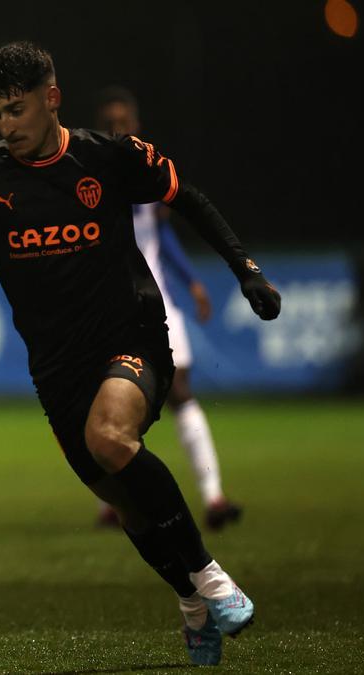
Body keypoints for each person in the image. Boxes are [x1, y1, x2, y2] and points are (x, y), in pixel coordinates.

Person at [0, 42, 280, 666]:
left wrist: (244, 269)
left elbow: (187, 196)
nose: (8, 125)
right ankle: (191, 602)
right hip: (56, 367)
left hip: (132, 336)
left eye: (18, 109)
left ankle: (212, 578)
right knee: (125, 505)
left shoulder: (107, 157)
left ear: (51, 98)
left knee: (110, 438)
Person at [92, 86, 243, 531]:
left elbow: (162, 238)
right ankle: (116, 502)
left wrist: (191, 281)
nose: (119, 129)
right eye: (111, 123)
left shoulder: (150, 173)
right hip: (107, 310)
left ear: (135, 125)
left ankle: (214, 498)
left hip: (157, 304)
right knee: (111, 407)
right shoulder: (89, 177)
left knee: (181, 393)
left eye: (125, 121)